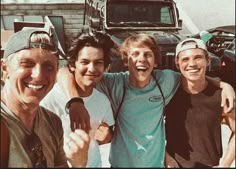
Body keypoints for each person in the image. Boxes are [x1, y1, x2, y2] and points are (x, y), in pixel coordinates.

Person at [57, 34, 235, 167]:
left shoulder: (166, 80)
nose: (141, 59)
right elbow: (65, 71)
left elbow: (192, 75)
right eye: (135, 54)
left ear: (156, 62)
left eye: (147, 54)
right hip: (121, 165)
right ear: (126, 61)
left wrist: (223, 85)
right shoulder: (114, 82)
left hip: (155, 165)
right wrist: (75, 102)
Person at [0, 28, 90, 168]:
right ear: (5, 69)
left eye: (48, 67)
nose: (38, 76)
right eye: (27, 64)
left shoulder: (52, 122)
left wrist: (78, 163)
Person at [40, 30, 115, 167]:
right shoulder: (50, 100)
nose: (91, 69)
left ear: (106, 68)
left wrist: (107, 137)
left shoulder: (103, 101)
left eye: (98, 63)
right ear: (72, 65)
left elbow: (106, 136)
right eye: (85, 62)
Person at [164, 38, 235, 168]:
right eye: (185, 59)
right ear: (177, 63)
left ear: (208, 60)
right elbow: (149, 130)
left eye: (198, 58)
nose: (192, 64)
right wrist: (165, 157)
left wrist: (225, 164)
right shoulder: (169, 92)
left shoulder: (220, 95)